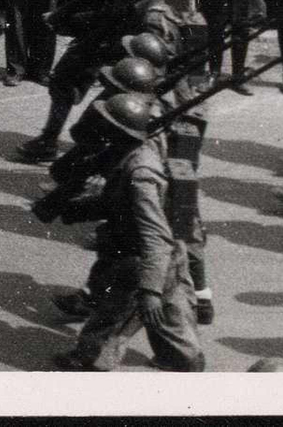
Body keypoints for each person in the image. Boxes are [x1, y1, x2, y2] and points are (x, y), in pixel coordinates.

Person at [48, 92, 204, 372]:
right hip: (167, 261)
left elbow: (155, 237)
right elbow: (119, 204)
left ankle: (89, 361)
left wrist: (149, 289)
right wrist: (77, 211)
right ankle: (185, 361)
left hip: (143, 262)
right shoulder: (137, 155)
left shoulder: (140, 173)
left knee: (111, 321)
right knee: (174, 326)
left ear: (118, 133)